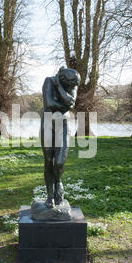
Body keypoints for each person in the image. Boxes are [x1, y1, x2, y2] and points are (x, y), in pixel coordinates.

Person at [41, 67, 80, 208]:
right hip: (47, 123)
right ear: (63, 79)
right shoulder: (49, 81)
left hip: (63, 124)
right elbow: (49, 103)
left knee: (60, 160)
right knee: (48, 160)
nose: (72, 87)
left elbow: (71, 103)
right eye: (69, 85)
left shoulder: (72, 84)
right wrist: (64, 105)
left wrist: (60, 88)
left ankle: (58, 181)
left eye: (73, 86)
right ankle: (50, 196)